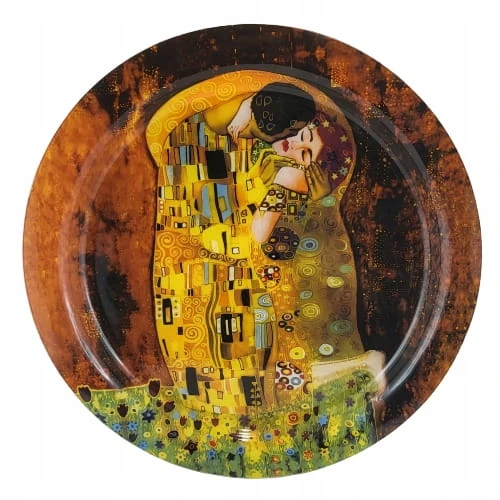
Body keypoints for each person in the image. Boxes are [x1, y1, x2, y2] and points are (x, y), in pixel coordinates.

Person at [203, 82, 316, 144]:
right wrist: (248, 104)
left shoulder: (267, 100)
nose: (295, 134)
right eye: (292, 130)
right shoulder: (268, 135)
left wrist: (248, 103)